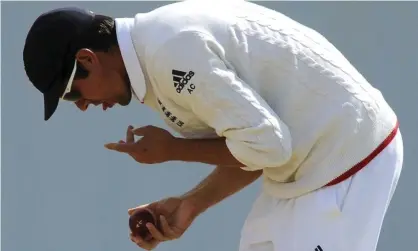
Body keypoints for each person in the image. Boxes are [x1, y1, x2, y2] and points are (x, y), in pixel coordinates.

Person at [23, 1, 403, 251]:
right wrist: (191, 204)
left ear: (87, 59)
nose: (84, 107)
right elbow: (255, 148)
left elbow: (269, 146)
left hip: (348, 156)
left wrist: (172, 150)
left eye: (73, 93)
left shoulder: (171, 55)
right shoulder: (152, 55)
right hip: (305, 168)